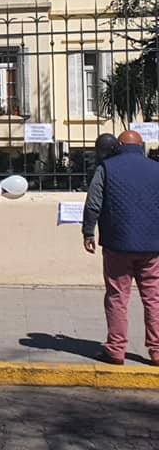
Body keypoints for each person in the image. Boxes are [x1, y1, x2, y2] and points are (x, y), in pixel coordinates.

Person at [82, 129, 159, 366]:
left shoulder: (106, 168)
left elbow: (93, 203)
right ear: (141, 145)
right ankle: (157, 351)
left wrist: (88, 231)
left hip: (118, 244)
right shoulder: (156, 168)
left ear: (120, 144)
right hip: (152, 246)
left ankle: (116, 349)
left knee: (117, 296)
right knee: (154, 298)